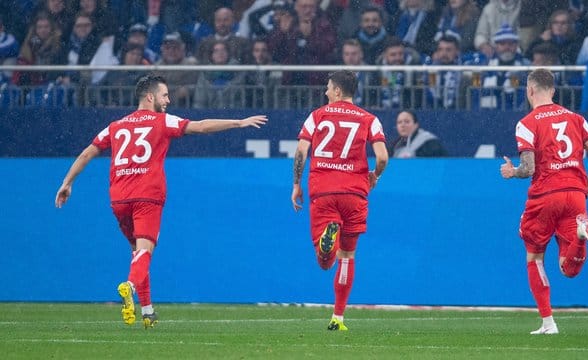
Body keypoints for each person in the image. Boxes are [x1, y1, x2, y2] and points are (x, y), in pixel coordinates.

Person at [55, 75, 267, 329]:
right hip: (147, 196)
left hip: (119, 198)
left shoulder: (115, 126)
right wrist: (238, 122)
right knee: (145, 252)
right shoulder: (162, 121)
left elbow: (89, 151)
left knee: (137, 254)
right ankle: (129, 286)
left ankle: (147, 311)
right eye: (165, 95)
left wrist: (67, 182)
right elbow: (200, 126)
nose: (169, 100)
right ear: (150, 97)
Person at [499, 68, 588, 335]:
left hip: (546, 195)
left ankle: (548, 322)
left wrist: (512, 173)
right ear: (554, 91)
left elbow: (529, 167)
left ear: (530, 90)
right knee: (568, 269)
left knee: (535, 257)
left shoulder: (527, 122)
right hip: (576, 196)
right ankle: (581, 235)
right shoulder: (576, 118)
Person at [291, 70, 388, 331]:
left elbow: (301, 151)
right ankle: (338, 317)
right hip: (355, 192)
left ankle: (326, 245)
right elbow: (382, 157)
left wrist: (296, 184)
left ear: (336, 91)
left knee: (325, 262)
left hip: (323, 190)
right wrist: (374, 176)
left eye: (327, 87)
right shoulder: (370, 119)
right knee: (348, 255)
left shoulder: (317, 115)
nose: (325, 92)